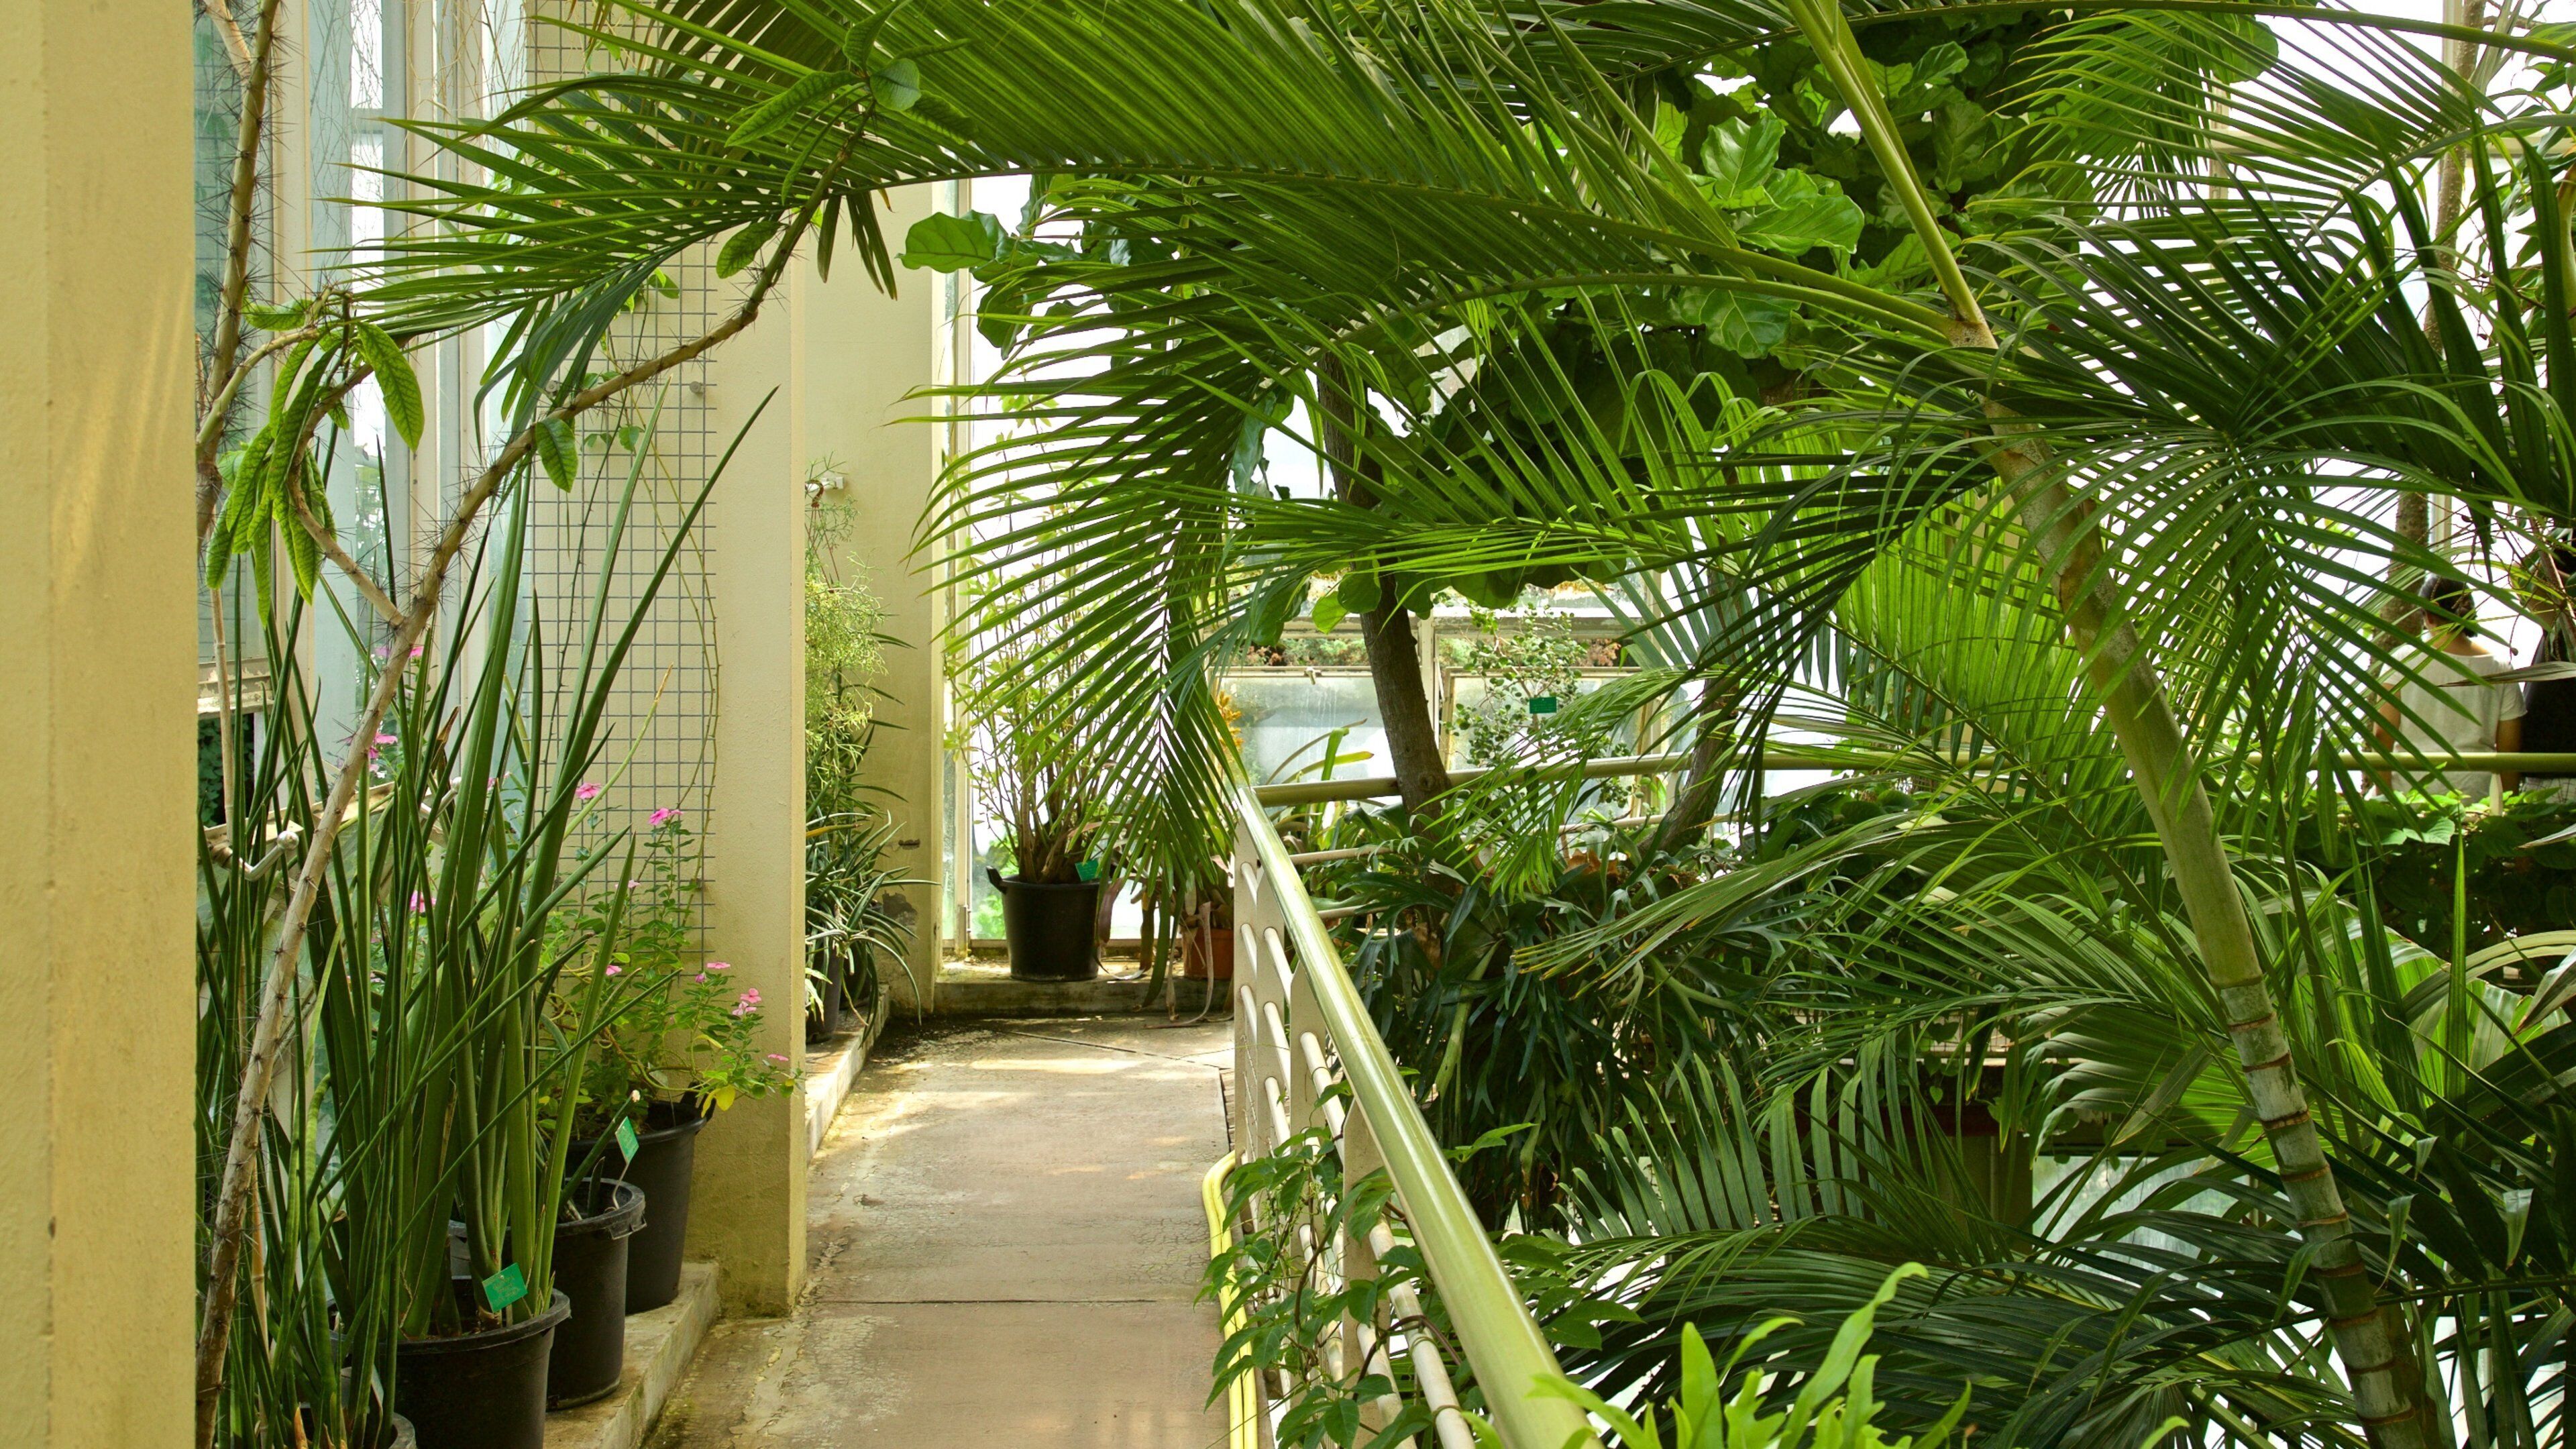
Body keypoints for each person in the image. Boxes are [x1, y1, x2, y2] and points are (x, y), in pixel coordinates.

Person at [2377, 574, 2524, 799]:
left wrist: (2383, 798)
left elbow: (2382, 735)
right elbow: (2510, 749)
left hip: (2412, 794)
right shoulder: (2500, 667)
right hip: (2477, 797)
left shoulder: (2403, 660)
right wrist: (2509, 804)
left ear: (2429, 614)